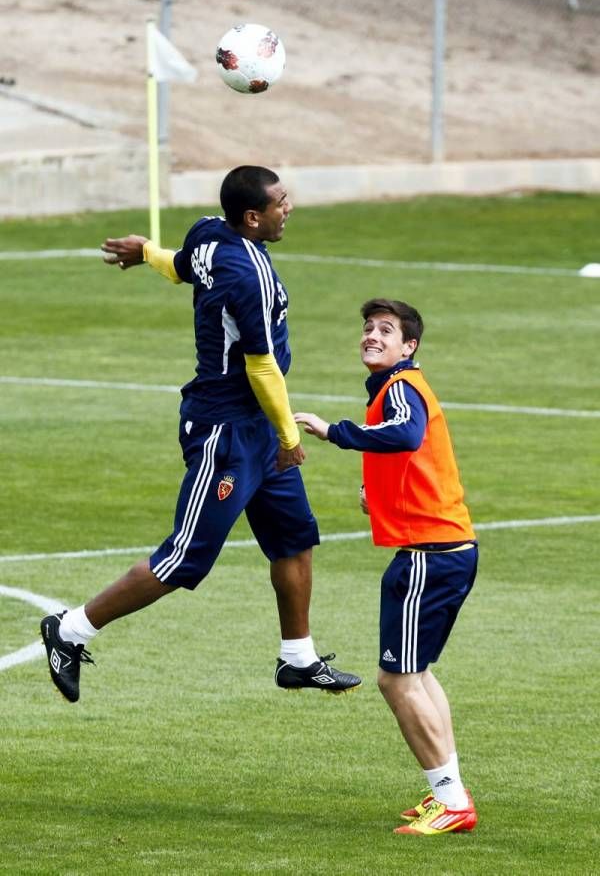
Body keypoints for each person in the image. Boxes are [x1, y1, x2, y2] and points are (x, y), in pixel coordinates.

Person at [40, 165, 361, 703]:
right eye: (282, 202)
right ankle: (69, 630)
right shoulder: (248, 276)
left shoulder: (211, 232)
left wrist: (145, 252)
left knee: (294, 541)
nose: (290, 207)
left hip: (255, 426)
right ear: (254, 216)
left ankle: (298, 658)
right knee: (184, 559)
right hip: (226, 431)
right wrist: (289, 437)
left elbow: (183, 267)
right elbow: (262, 369)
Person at [294, 298, 478, 836]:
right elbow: (409, 454)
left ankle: (450, 801)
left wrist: (336, 432)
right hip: (444, 548)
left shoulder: (401, 388)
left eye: (386, 331)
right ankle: (451, 794)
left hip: (429, 555)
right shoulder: (394, 388)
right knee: (416, 674)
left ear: (409, 347)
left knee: (395, 680)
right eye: (368, 328)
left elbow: (405, 435)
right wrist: (377, 492)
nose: (372, 336)